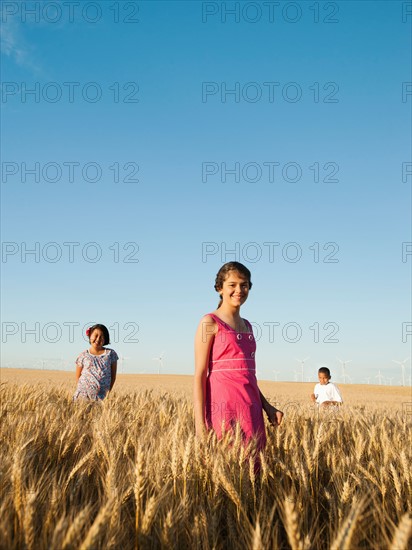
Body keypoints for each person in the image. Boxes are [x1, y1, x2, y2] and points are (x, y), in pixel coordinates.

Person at [193, 262, 283, 452]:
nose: (239, 290)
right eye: (232, 285)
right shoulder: (209, 322)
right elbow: (200, 375)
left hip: (252, 409)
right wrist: (200, 426)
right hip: (223, 408)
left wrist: (267, 407)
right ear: (220, 288)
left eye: (244, 284)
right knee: (226, 462)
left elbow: (246, 375)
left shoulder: (248, 326)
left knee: (254, 466)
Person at [73, 324, 118, 401]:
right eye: (96, 335)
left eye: (101, 337)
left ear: (105, 339)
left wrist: (107, 392)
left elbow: (113, 376)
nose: (98, 339)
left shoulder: (111, 354)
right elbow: (78, 376)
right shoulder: (83, 355)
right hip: (82, 396)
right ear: (90, 336)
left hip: (101, 396)